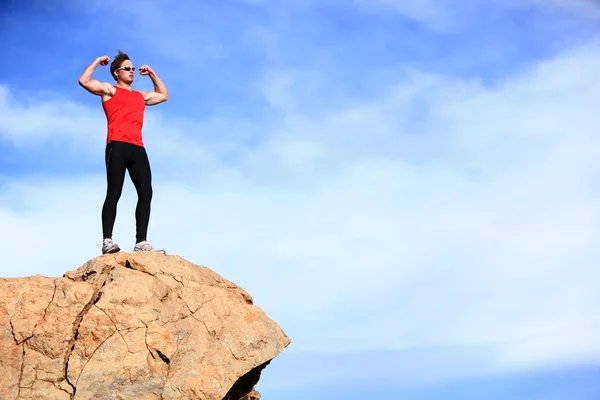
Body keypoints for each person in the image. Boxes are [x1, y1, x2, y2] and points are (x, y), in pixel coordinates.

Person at [78, 50, 169, 254]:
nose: (132, 71)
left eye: (133, 68)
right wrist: (96, 61)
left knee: (146, 193)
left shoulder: (140, 96)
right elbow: (84, 81)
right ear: (116, 73)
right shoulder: (109, 90)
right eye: (127, 68)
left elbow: (164, 95)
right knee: (114, 192)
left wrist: (152, 74)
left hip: (137, 147)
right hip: (117, 145)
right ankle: (107, 241)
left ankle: (141, 242)